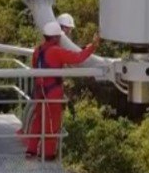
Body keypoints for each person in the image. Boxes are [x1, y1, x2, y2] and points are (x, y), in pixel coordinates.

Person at [19, 20, 98, 160]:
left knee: (38, 119)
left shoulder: (38, 50)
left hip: (39, 91)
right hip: (52, 92)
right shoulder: (56, 51)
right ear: (56, 37)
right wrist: (93, 47)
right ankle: (48, 153)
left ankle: (31, 150)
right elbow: (77, 57)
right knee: (52, 122)